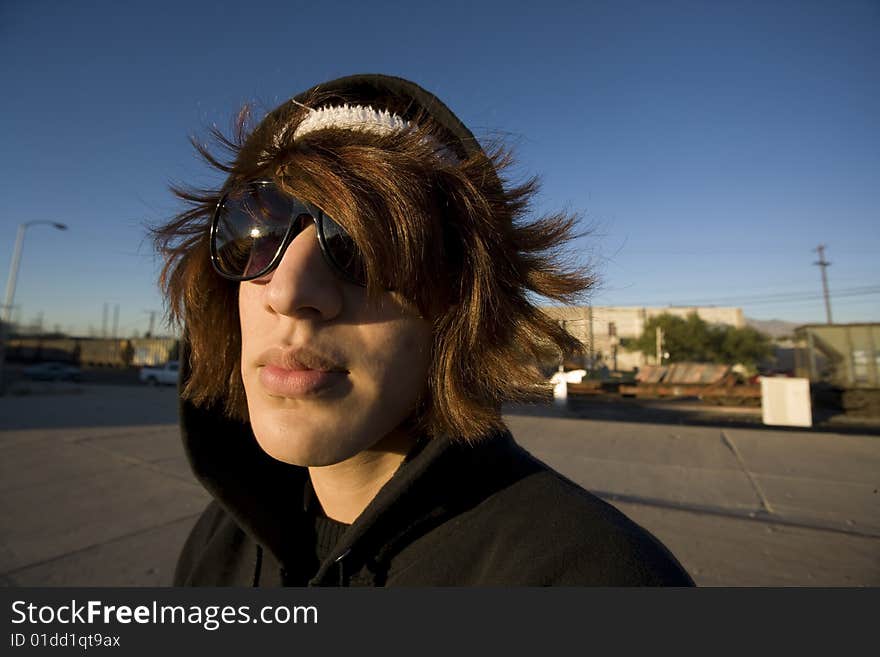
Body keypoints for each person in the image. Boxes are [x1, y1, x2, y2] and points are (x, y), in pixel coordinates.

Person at [154, 74, 693, 586]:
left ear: (461, 307)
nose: (286, 292)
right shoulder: (218, 543)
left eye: (366, 248)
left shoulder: (595, 578)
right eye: (259, 236)